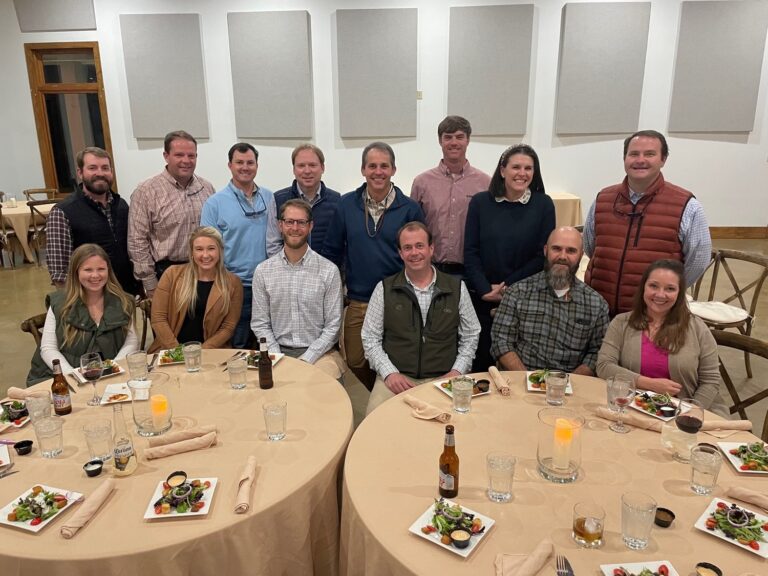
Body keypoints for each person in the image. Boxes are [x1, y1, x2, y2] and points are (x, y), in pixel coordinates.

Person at [322, 142, 425, 391]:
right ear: (363, 170)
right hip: (359, 299)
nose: (378, 171)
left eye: (384, 166)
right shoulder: (346, 205)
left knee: (394, 358)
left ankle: (386, 403)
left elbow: (418, 256)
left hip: (397, 299)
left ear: (393, 169)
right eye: (372, 166)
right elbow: (331, 253)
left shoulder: (410, 208)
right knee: (355, 359)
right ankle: (377, 393)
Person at [583, 129, 712, 316]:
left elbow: (698, 260)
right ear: (625, 158)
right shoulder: (603, 199)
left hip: (653, 314)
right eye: (633, 154)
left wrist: (666, 291)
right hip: (600, 310)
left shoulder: (687, 206)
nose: (640, 160)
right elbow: (591, 247)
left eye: (650, 154)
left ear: (663, 159)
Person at [362, 222, 480, 414]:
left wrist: (456, 372)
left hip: (443, 379)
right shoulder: (384, 288)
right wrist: (389, 373)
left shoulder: (457, 288)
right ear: (400, 253)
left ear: (431, 249)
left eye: (419, 246)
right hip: (396, 378)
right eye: (407, 248)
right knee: (373, 423)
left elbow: (471, 334)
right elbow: (370, 338)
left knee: (456, 427)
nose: (414, 253)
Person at [464, 144, 556, 372]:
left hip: (525, 299)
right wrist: (485, 289)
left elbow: (541, 256)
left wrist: (508, 288)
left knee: (516, 368)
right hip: (482, 298)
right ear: (503, 170)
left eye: (528, 168)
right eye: (516, 167)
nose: (522, 173)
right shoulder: (480, 203)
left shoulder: (543, 205)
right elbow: (470, 251)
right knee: (481, 366)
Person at [596, 259, 725, 413]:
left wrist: (689, 412)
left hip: (687, 412)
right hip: (632, 408)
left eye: (670, 288)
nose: (660, 294)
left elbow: (710, 381)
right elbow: (604, 366)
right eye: (653, 286)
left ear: (680, 293)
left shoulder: (698, 329)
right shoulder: (621, 323)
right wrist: (649, 384)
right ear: (643, 287)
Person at [491, 227, 609, 376]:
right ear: (546, 250)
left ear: (581, 255)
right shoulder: (517, 293)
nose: (562, 256)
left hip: (571, 388)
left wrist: (566, 383)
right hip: (519, 382)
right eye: (556, 249)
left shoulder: (596, 305)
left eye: (571, 251)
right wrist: (529, 379)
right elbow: (501, 342)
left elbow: (598, 352)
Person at [252, 199, 346, 379]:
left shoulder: (328, 270)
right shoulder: (263, 271)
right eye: (289, 222)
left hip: (319, 352)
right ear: (280, 225)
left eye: (301, 222)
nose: (295, 228)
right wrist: (275, 355)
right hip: (276, 350)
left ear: (310, 226)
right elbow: (260, 323)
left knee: (325, 396)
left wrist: (307, 358)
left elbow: (333, 326)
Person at [27, 244, 138, 385]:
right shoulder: (59, 303)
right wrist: (72, 375)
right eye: (88, 270)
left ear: (108, 271)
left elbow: (131, 341)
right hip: (62, 376)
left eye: (101, 269)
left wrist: (114, 367)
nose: (95, 275)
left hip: (110, 375)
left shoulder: (124, 301)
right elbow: (48, 348)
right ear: (76, 272)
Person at [200, 143, 276, 348]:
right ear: (229, 165)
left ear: (257, 166)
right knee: (237, 344)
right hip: (234, 285)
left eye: (250, 162)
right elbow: (207, 249)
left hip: (267, 284)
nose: (245, 167)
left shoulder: (269, 197)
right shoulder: (214, 203)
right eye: (239, 162)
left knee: (265, 344)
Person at [128, 130, 215, 298]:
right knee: (168, 324)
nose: (186, 161)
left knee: (205, 323)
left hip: (204, 271)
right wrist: (150, 285)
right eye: (179, 155)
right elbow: (137, 241)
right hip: (166, 274)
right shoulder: (146, 191)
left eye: (191, 156)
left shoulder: (207, 189)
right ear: (166, 156)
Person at [46, 147, 139, 295]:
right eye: (92, 168)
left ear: (111, 172)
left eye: (105, 168)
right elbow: (59, 272)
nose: (100, 173)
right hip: (88, 298)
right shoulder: (62, 212)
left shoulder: (121, 205)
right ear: (80, 173)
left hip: (125, 294)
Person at [410, 115, 490, 277]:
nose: (454, 142)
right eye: (448, 137)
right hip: (430, 269)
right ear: (440, 141)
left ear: (468, 140)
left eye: (460, 137)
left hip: (470, 271)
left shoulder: (485, 183)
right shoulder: (421, 182)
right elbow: (413, 228)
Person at [148, 227, 243, 354]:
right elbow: (158, 319)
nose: (205, 255)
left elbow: (228, 327)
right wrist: (178, 352)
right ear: (191, 253)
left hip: (212, 352)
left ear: (220, 251)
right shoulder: (172, 274)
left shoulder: (233, 283)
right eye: (199, 249)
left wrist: (201, 352)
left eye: (211, 248)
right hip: (170, 351)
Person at [266, 144, 340, 257]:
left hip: (326, 272)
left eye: (312, 165)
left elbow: (339, 245)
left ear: (322, 168)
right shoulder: (278, 199)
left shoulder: (337, 201)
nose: (307, 171)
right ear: (294, 169)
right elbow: (273, 245)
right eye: (301, 165)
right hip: (288, 272)